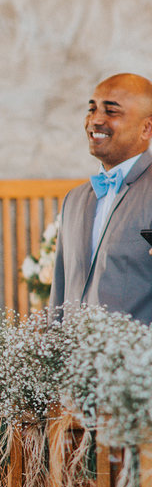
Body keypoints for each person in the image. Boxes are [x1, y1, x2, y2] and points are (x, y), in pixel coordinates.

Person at [50, 73, 152, 323]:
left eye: (111, 111)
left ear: (147, 128)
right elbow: (59, 294)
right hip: (74, 360)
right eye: (92, 109)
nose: (95, 120)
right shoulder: (73, 199)